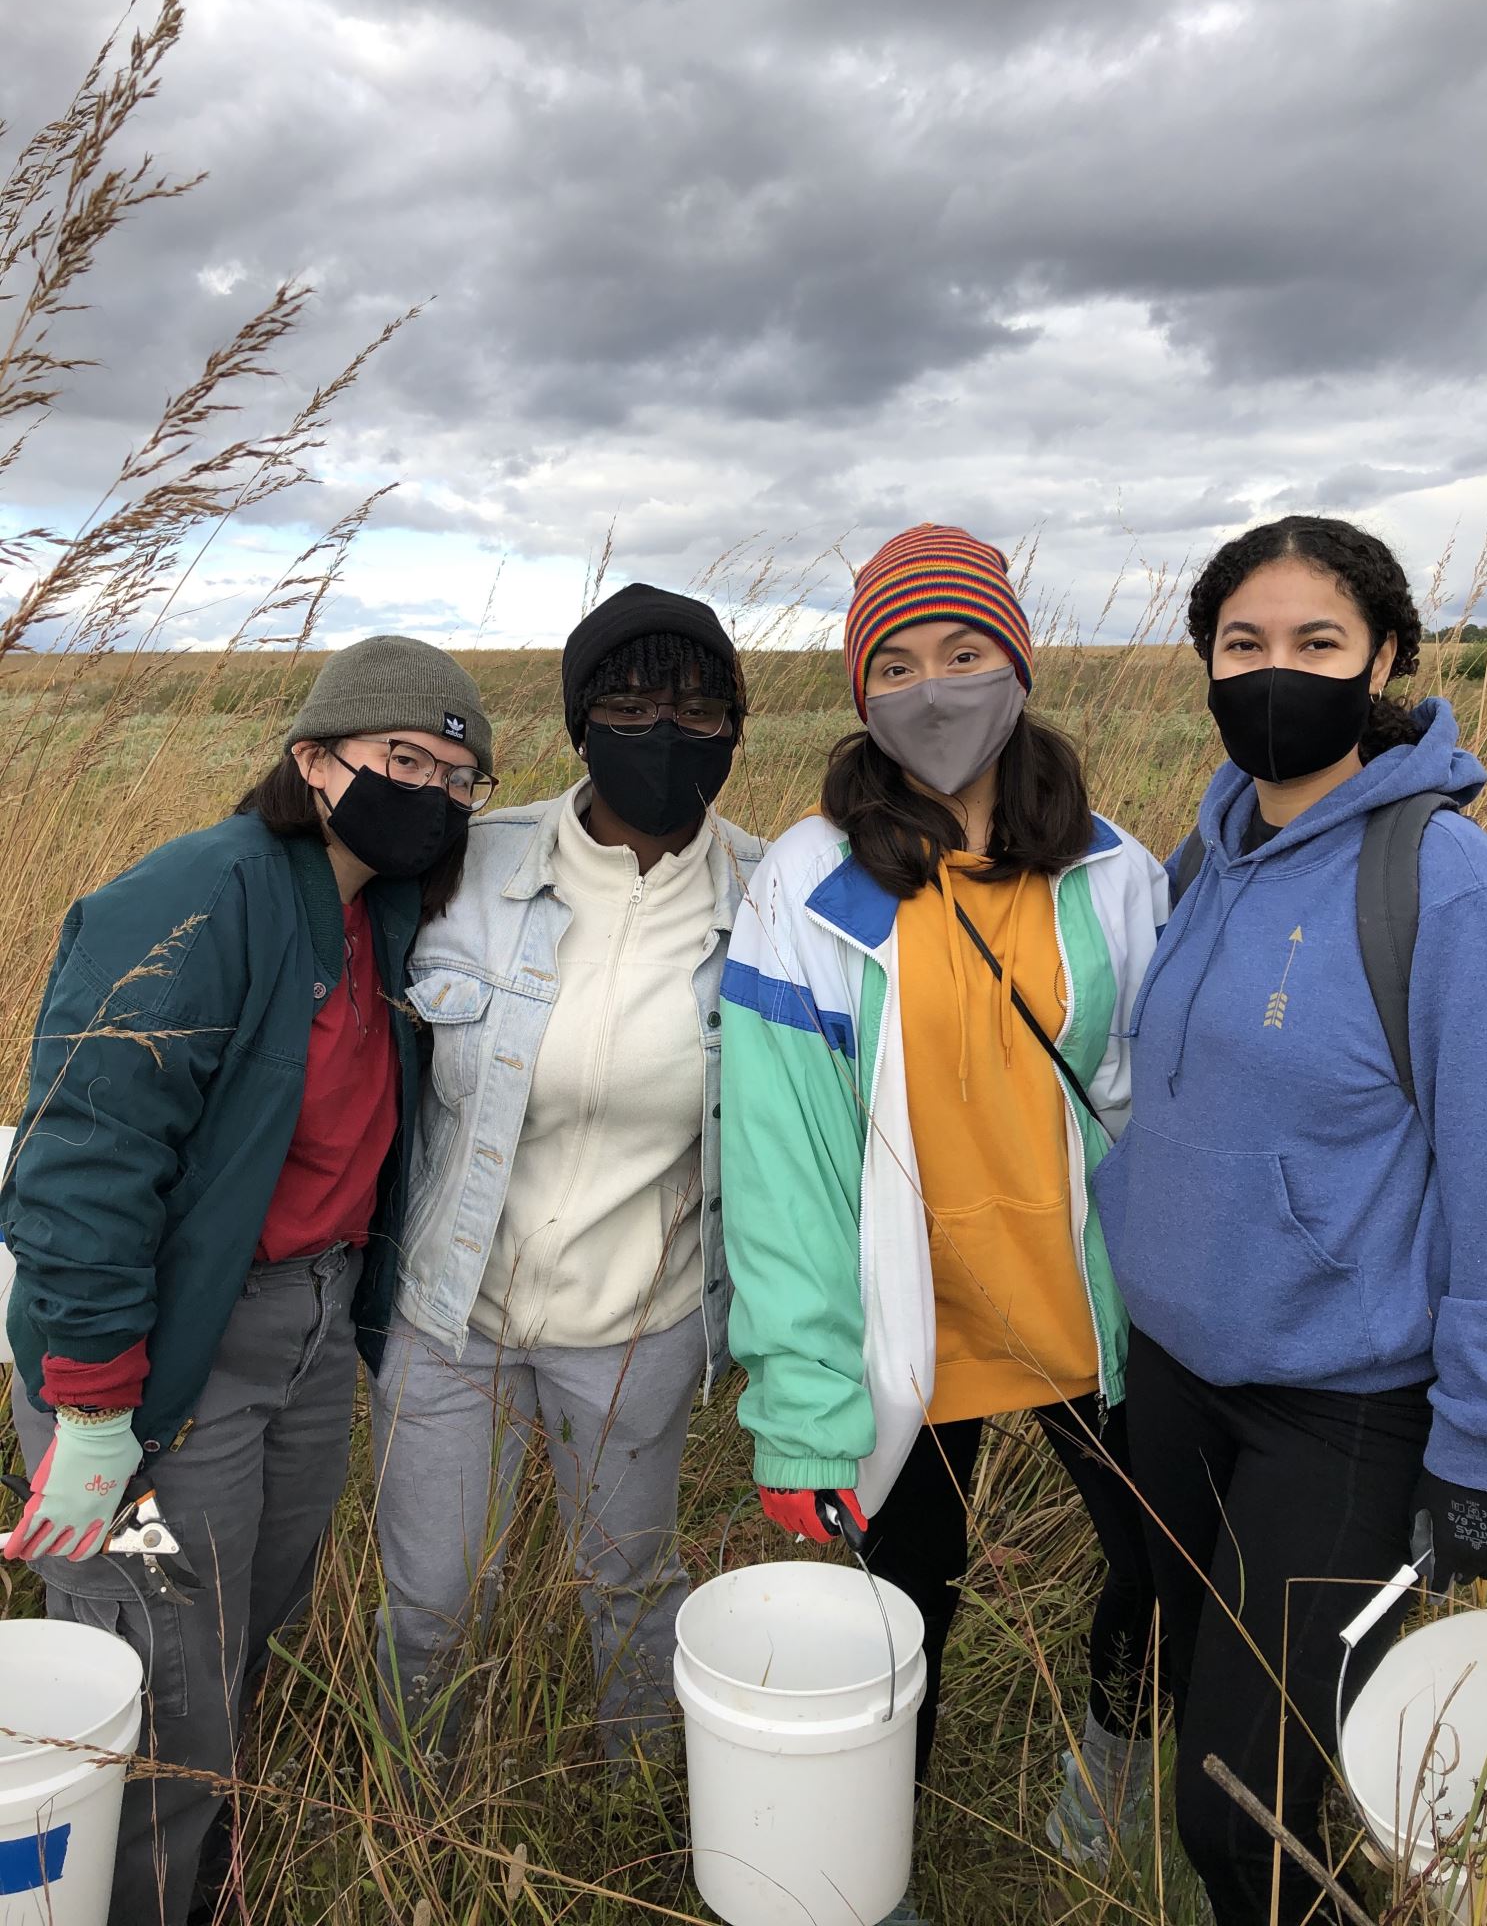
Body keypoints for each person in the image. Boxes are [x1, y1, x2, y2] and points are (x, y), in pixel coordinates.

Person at [1, 637, 492, 1926]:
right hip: (168, 1351)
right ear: (314, 757)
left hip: (311, 1328)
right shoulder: (195, 896)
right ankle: (129, 1896)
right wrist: (98, 1403)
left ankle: (194, 1857)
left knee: (243, 1621)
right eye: (405, 760)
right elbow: (83, 1163)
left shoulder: (372, 911)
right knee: (156, 1665)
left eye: (459, 774)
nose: (433, 792)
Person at [719, 524, 1168, 1920]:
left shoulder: (1112, 873)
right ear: (862, 694)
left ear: (1017, 666)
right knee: (903, 1603)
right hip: (904, 1325)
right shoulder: (809, 886)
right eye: (897, 663)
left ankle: (1105, 1777)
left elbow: (1155, 1111)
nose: (934, 689)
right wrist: (800, 1404)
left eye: (965, 654)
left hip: (1089, 1313)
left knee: (1163, 1563)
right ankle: (872, 1857)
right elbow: (782, 1166)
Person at [1094, 515, 1487, 1925]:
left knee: (1235, 1805)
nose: (1277, 671)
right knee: (1248, 1737)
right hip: (1178, 1381)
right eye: (1243, 644)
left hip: (1339, 1413)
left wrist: (1478, 1443)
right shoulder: (1204, 858)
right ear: (1206, 663)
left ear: (1384, 656)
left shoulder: (1441, 882)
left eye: (1318, 643)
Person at [370, 584, 762, 1760]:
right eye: (630, 704)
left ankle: (637, 1801)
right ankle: (421, 1803)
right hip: (452, 1311)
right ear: (579, 722)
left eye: (699, 709)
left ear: (740, 727)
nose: (663, 734)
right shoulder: (468, 863)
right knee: (434, 1602)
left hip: (637, 1324)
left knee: (630, 1591)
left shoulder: (772, 896)